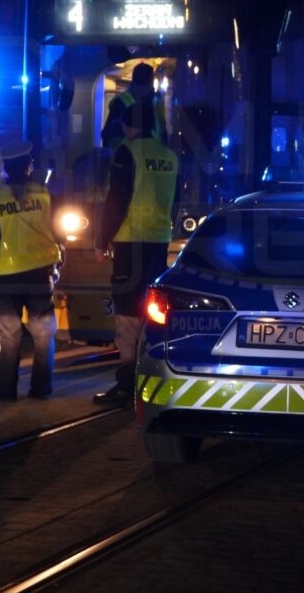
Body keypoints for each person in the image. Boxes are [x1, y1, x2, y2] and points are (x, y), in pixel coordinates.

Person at [93, 102, 178, 405]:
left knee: (128, 313)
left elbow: (117, 201)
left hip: (131, 242)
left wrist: (102, 241)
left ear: (128, 128)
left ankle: (127, 384)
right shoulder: (169, 157)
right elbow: (175, 201)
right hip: (159, 241)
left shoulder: (127, 153)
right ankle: (153, 378)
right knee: (152, 308)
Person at [0, 141, 64, 401]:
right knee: (43, 333)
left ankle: (5, 390)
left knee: (9, 334)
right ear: (29, 166)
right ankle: (41, 388)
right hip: (41, 272)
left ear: (5, 168)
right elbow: (59, 233)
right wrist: (58, 262)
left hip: (10, 273)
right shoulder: (46, 195)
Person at [99, 62, 167, 148]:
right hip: (131, 158)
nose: (147, 91)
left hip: (154, 157)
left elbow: (163, 134)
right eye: (143, 87)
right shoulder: (122, 103)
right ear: (135, 86)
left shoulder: (156, 104)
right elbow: (112, 138)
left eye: (148, 87)